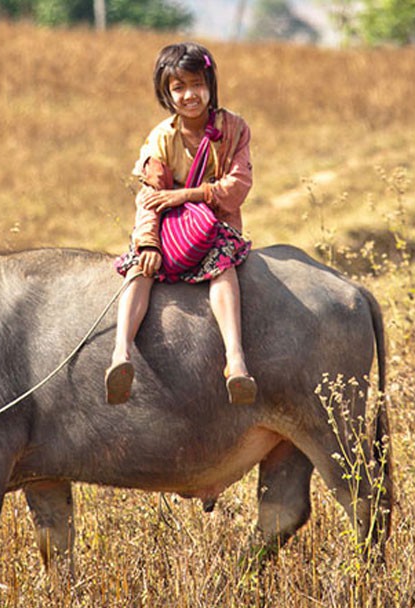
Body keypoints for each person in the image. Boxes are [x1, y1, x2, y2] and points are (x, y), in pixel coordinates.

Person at [106, 42, 257, 406]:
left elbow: (237, 188)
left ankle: (235, 360)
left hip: (216, 227)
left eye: (197, 84)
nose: (190, 95)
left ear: (210, 84)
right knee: (138, 271)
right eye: (178, 87)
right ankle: (120, 355)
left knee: (223, 268)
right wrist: (148, 244)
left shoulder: (234, 129)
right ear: (166, 93)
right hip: (169, 230)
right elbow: (149, 198)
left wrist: (184, 195)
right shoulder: (160, 139)